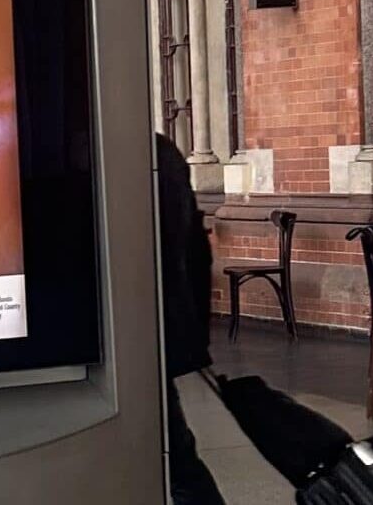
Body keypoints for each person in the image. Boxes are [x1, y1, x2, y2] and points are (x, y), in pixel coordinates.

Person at [155, 131, 226, 505]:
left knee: (175, 455)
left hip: (133, 333)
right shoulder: (162, 152)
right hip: (162, 328)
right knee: (176, 450)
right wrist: (194, 334)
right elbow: (197, 251)